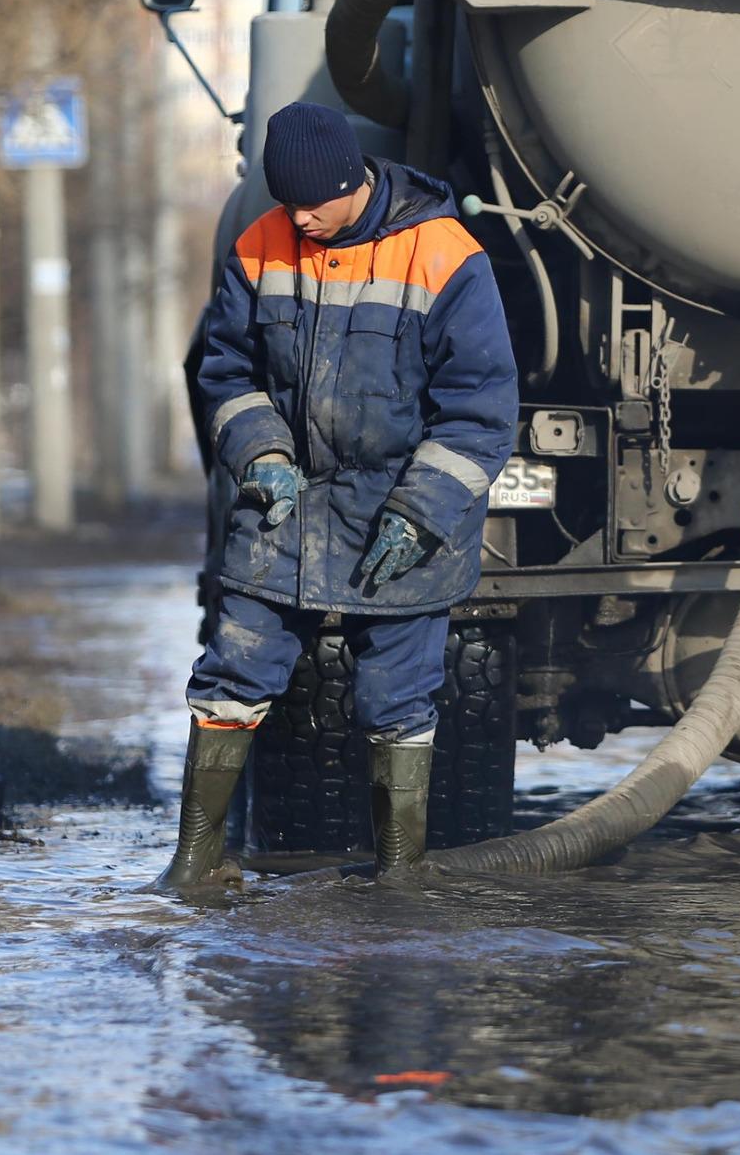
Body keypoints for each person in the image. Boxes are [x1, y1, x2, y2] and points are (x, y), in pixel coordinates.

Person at [159, 100, 517, 890]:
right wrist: (262, 454)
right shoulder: (261, 247)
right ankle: (192, 862)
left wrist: (421, 514)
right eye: (287, 203)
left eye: (313, 203)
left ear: (354, 181)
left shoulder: (447, 256)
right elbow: (223, 373)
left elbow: (480, 408)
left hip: (401, 516)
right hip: (282, 511)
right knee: (232, 670)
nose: (300, 218)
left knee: (396, 697)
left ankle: (399, 872)